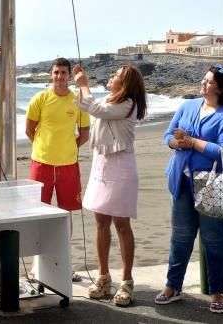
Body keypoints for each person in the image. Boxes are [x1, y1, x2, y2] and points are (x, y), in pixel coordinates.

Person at [74, 64, 147, 307]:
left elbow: (94, 108)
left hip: (121, 167)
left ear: (125, 84)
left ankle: (126, 280)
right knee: (100, 221)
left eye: (116, 75)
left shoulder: (128, 105)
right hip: (102, 165)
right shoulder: (110, 101)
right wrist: (78, 86)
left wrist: (84, 84)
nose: (111, 76)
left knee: (121, 223)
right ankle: (103, 277)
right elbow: (87, 105)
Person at [155, 64, 223, 314]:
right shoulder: (187, 106)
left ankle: (218, 292)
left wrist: (192, 142)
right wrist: (175, 142)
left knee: (214, 240)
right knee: (180, 237)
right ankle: (172, 286)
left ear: (220, 88)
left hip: (210, 184)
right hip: (182, 182)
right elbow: (167, 135)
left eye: (209, 81)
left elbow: (222, 151)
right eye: (204, 80)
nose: (203, 84)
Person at [25, 57, 90, 280]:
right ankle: (36, 265)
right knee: (38, 213)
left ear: (70, 75)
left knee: (65, 214)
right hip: (41, 163)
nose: (60, 76)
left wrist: (66, 149)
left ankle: (63, 261)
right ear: (50, 74)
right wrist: (46, 149)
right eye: (56, 72)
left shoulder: (78, 101)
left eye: (64, 72)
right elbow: (29, 130)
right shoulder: (40, 98)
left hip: (68, 166)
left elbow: (84, 134)